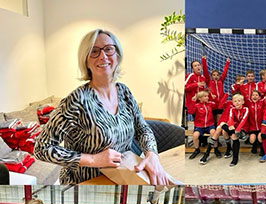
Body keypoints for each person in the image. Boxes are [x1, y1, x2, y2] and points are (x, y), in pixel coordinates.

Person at [34, 29, 168, 185]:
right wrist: (93, 159)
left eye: (108, 49)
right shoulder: (76, 101)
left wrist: (151, 154)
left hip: (122, 178)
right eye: (94, 51)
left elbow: (142, 129)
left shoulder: (124, 92)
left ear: (117, 55)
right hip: (84, 183)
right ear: (86, 60)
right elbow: (42, 148)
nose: (103, 56)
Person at [200, 93, 247, 167]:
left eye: (238, 100)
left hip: (231, 124)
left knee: (225, 131)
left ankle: (229, 149)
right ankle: (206, 154)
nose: (236, 102)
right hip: (223, 121)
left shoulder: (240, 107)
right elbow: (220, 105)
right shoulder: (229, 103)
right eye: (234, 100)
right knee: (217, 131)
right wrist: (225, 95)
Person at [189, 91, 217, 160]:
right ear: (200, 98)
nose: (207, 97)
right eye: (205, 96)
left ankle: (216, 148)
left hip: (209, 125)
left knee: (214, 133)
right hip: (199, 126)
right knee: (195, 135)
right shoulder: (196, 106)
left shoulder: (210, 104)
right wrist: (193, 101)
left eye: (207, 96)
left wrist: (214, 99)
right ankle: (197, 149)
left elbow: (217, 105)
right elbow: (191, 111)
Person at [202, 56, 230, 122]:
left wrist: (227, 63)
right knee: (213, 120)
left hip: (220, 103)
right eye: (214, 75)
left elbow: (224, 72)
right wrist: (204, 60)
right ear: (211, 76)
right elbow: (205, 71)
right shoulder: (209, 81)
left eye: (217, 75)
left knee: (218, 120)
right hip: (212, 103)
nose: (216, 76)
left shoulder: (221, 81)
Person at [246, 90, 265, 155]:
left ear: (260, 97)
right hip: (252, 127)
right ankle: (254, 145)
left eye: (256, 95)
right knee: (251, 140)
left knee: (260, 137)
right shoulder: (248, 103)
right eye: (253, 95)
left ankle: (263, 149)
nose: (255, 96)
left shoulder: (262, 103)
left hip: (261, 126)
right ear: (250, 97)